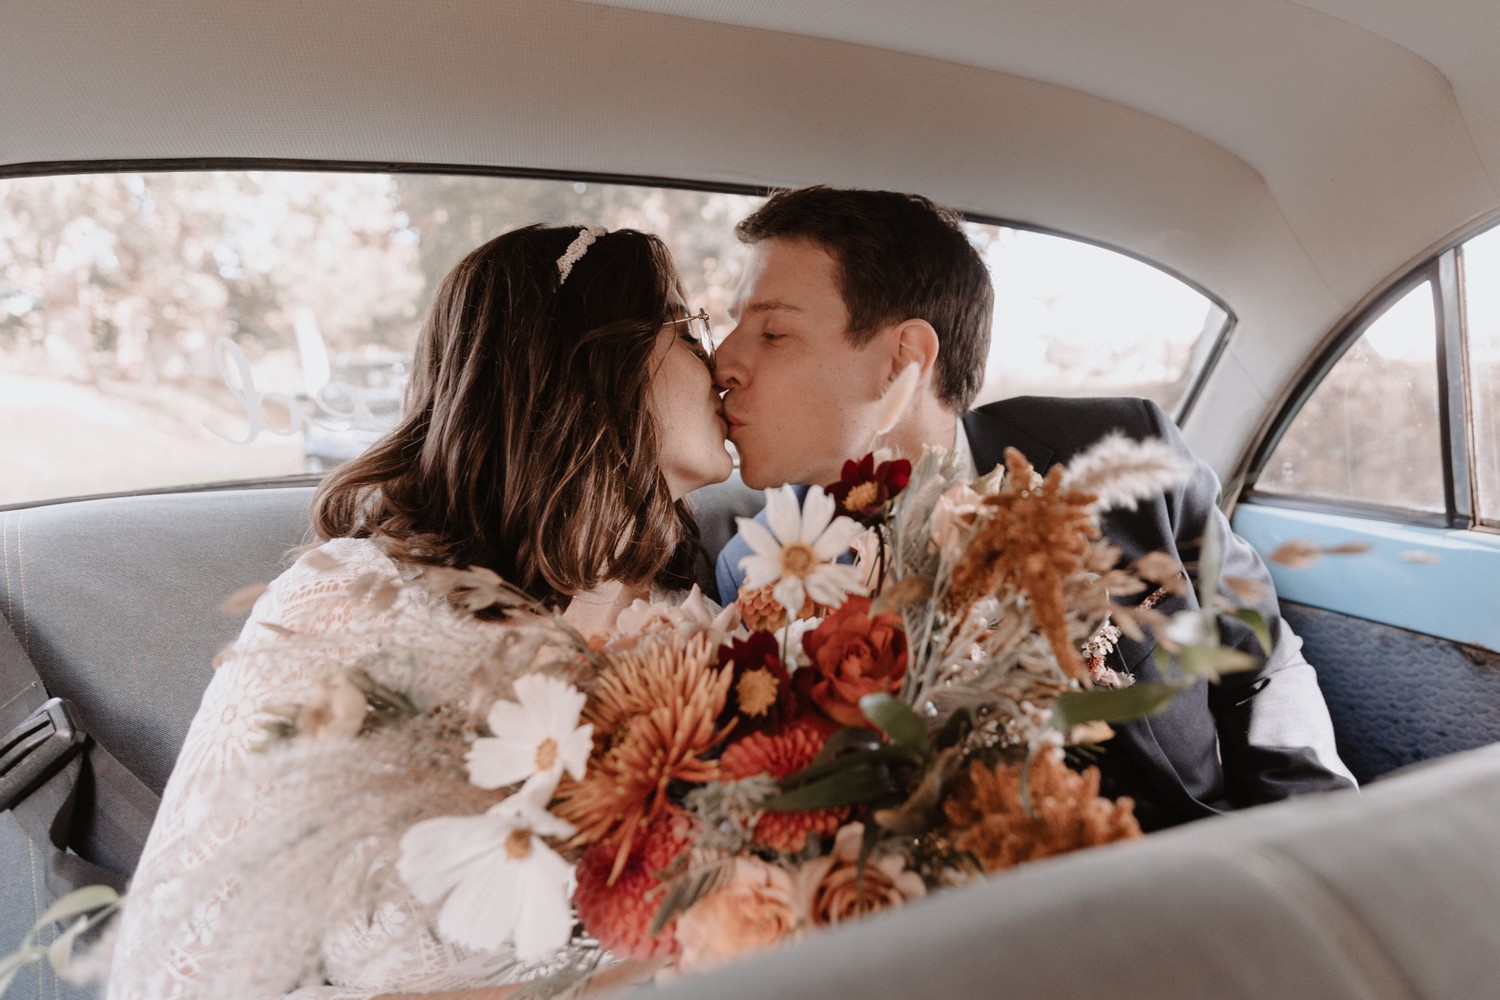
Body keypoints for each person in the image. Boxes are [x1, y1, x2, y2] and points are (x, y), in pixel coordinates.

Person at [107, 225, 732, 999]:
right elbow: (177, 973)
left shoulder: (695, 627)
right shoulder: (355, 610)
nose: (721, 360)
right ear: (592, 359)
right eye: (687, 327)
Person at [711, 186, 1356, 831]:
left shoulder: (1123, 452)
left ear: (902, 360)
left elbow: (1260, 664)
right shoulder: (756, 577)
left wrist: (1311, 845)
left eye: (773, 332)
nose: (723, 363)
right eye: (733, 327)